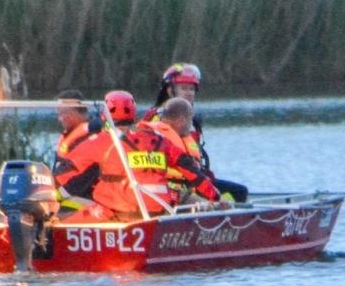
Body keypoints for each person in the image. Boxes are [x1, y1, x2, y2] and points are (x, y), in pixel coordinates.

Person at [142, 63, 249, 202]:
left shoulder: (190, 120)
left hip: (193, 179)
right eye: (183, 88)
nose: (189, 93)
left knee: (238, 192)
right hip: (177, 183)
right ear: (170, 91)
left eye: (192, 89)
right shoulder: (160, 120)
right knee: (236, 194)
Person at [58, 90, 150, 222]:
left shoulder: (98, 142)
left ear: (105, 114)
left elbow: (77, 178)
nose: (59, 118)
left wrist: (52, 193)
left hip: (111, 206)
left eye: (62, 114)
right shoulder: (151, 139)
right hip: (145, 205)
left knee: (59, 219)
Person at [128, 97, 221, 209]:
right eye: (190, 120)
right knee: (215, 207)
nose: (191, 125)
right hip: (170, 192)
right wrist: (216, 197)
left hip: (135, 196)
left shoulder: (137, 137)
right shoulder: (165, 143)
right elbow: (190, 171)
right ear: (182, 120)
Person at [51, 90, 99, 212]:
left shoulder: (91, 139)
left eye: (61, 114)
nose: (59, 119)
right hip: (69, 193)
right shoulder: (74, 136)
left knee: (44, 211)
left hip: (86, 197)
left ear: (72, 113)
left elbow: (81, 179)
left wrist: (54, 195)